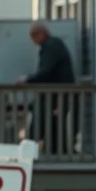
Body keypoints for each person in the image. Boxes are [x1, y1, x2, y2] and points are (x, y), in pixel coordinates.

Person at [17, 22, 77, 154]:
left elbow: (45, 72)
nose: (33, 41)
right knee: (53, 126)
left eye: (34, 37)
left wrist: (27, 80)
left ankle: (31, 153)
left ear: (41, 34)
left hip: (55, 96)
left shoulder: (50, 47)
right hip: (57, 95)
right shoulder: (55, 45)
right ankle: (56, 152)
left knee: (41, 124)